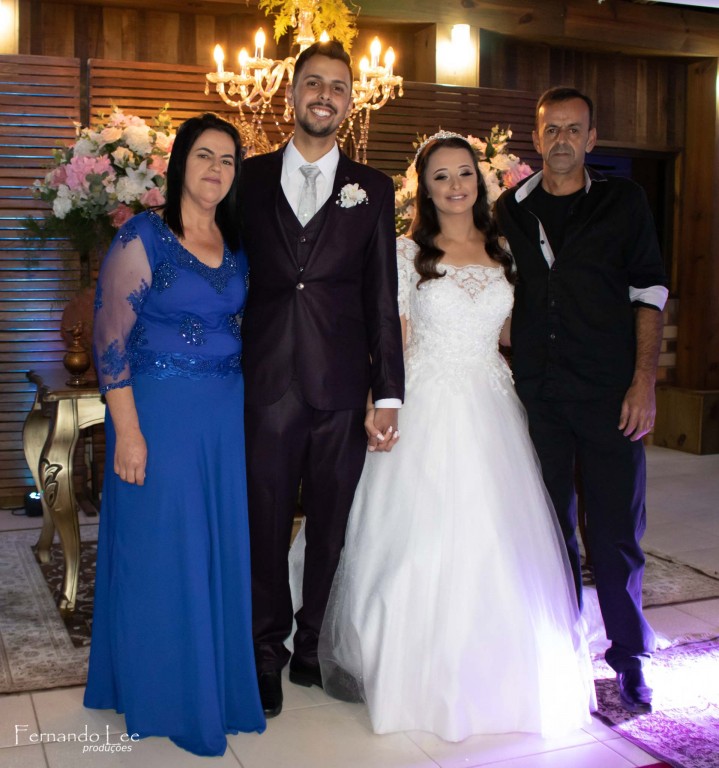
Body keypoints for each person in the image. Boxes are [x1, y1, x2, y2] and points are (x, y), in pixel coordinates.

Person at [313, 132, 594, 741]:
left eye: (463, 173)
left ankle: (498, 671)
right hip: (425, 401)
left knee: (496, 539)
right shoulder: (405, 253)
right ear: (425, 189)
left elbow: (518, 331)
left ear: (479, 180)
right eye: (440, 176)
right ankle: (404, 665)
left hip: (491, 402)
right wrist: (378, 402)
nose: (455, 185)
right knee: (417, 541)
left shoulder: (506, 250)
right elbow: (391, 339)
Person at [84, 113, 266, 756]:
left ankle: (210, 684)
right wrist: (128, 433)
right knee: (162, 549)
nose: (217, 169)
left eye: (228, 160)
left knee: (212, 549)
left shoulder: (237, 243)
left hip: (222, 418)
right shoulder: (144, 236)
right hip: (158, 416)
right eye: (205, 156)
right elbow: (109, 338)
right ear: (181, 163)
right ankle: (162, 691)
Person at [238, 40, 405, 718]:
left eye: (338, 86)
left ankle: (313, 646)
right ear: (291, 93)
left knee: (332, 528)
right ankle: (264, 654)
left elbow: (382, 298)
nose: (324, 96)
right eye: (313, 83)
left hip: (340, 387)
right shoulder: (246, 179)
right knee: (265, 524)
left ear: (351, 100)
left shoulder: (374, 188)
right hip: (264, 382)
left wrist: (387, 392)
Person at [495, 87, 668, 714]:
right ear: (536, 138)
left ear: (592, 139)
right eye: (552, 129)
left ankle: (629, 658)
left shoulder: (624, 202)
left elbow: (649, 292)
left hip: (609, 395)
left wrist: (644, 382)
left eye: (574, 129)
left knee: (616, 535)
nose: (562, 140)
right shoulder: (511, 208)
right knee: (548, 531)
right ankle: (563, 652)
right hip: (538, 395)